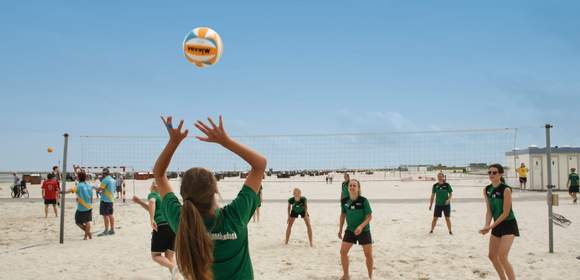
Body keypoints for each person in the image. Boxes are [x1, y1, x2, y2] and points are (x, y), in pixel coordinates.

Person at [155, 115, 267, 280]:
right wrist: (225, 141)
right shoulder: (234, 216)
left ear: (183, 195)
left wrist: (173, 142)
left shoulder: (182, 221)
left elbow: (159, 175)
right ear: (215, 191)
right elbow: (260, 165)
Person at [479, 164, 519, 280]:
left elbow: (505, 213)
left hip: (508, 224)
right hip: (496, 224)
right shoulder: (486, 189)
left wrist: (490, 227)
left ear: (500, 174)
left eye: (494, 172)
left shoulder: (506, 189)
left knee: (502, 257)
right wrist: (486, 225)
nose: (491, 174)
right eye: (489, 172)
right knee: (492, 256)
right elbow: (489, 210)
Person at [132, 182, 177, 277]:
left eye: (153, 182)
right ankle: (175, 276)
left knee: (155, 256)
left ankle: (173, 267)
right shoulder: (163, 197)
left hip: (161, 226)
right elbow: (152, 208)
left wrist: (152, 219)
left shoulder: (153, 194)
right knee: (169, 256)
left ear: (153, 186)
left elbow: (152, 202)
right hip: (172, 227)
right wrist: (140, 202)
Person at [338, 179, 373, 280]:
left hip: (364, 230)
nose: (352, 187)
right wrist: (340, 229)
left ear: (358, 188)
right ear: (348, 188)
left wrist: (361, 226)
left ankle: (370, 277)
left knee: (368, 255)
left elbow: (369, 217)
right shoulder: (344, 201)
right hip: (350, 230)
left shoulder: (363, 200)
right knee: (343, 252)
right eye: (350, 185)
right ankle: (346, 275)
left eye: (354, 185)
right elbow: (342, 215)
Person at [66, 170, 93, 240]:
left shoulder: (78, 186)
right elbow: (91, 197)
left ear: (78, 178)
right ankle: (86, 236)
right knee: (87, 221)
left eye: (77, 176)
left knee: (78, 222)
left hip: (82, 208)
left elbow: (70, 190)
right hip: (89, 206)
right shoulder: (88, 185)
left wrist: (61, 192)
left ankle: (88, 233)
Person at [96, 168, 116, 236]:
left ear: (103, 173)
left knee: (105, 215)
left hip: (105, 200)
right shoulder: (113, 180)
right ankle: (112, 229)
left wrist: (96, 189)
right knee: (110, 214)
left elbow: (101, 189)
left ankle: (106, 230)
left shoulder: (105, 180)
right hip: (111, 199)